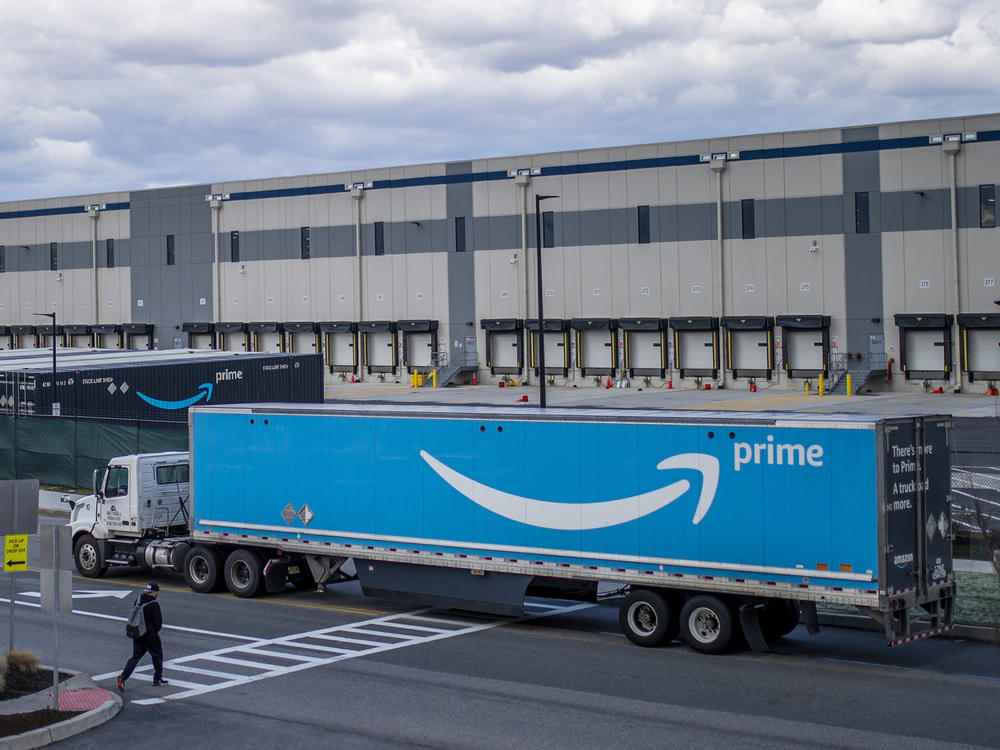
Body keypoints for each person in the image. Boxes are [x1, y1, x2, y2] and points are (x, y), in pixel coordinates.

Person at [117, 582, 168, 690]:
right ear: (154, 592)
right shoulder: (154, 604)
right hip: (149, 634)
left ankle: (123, 677)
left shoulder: (139, 599)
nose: (156, 594)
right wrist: (153, 631)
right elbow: (158, 623)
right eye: (156, 592)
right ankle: (157, 679)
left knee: (135, 657)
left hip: (137, 633)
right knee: (157, 655)